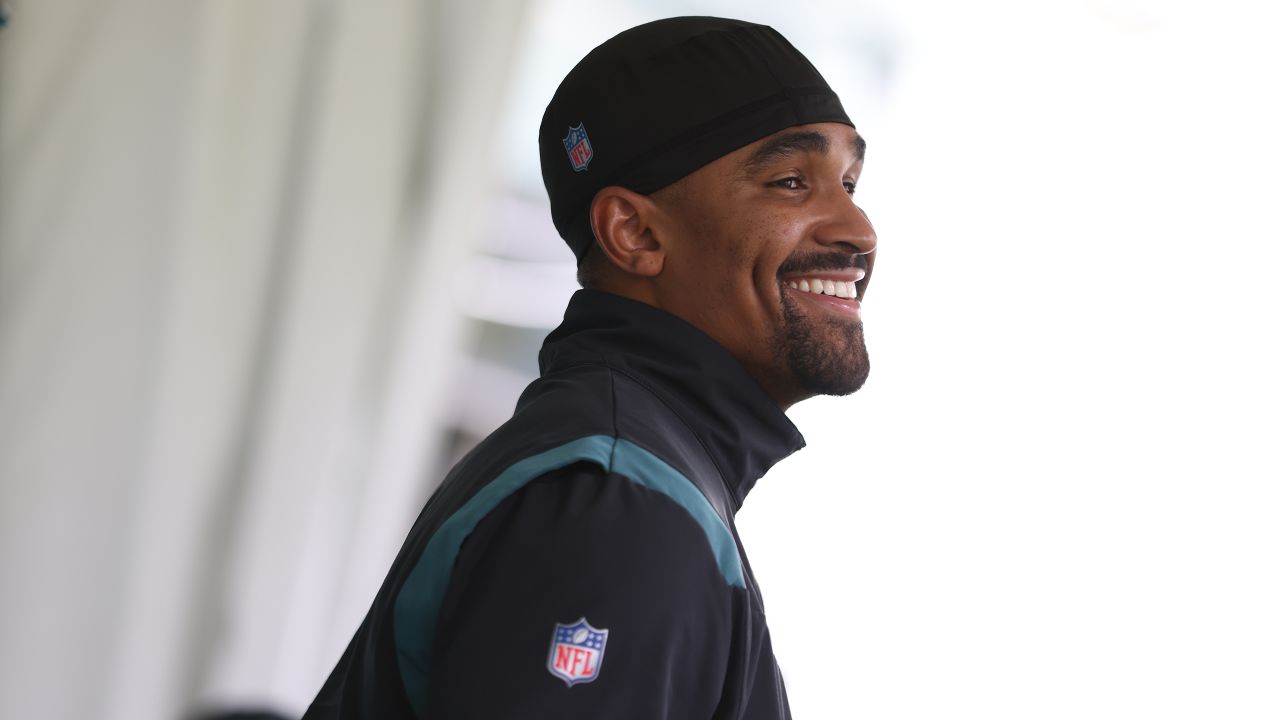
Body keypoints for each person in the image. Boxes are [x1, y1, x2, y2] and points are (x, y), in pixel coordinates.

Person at [304, 16, 876, 719]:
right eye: (791, 181)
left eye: (849, 181)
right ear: (634, 234)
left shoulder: (630, 472)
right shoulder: (617, 502)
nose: (859, 229)